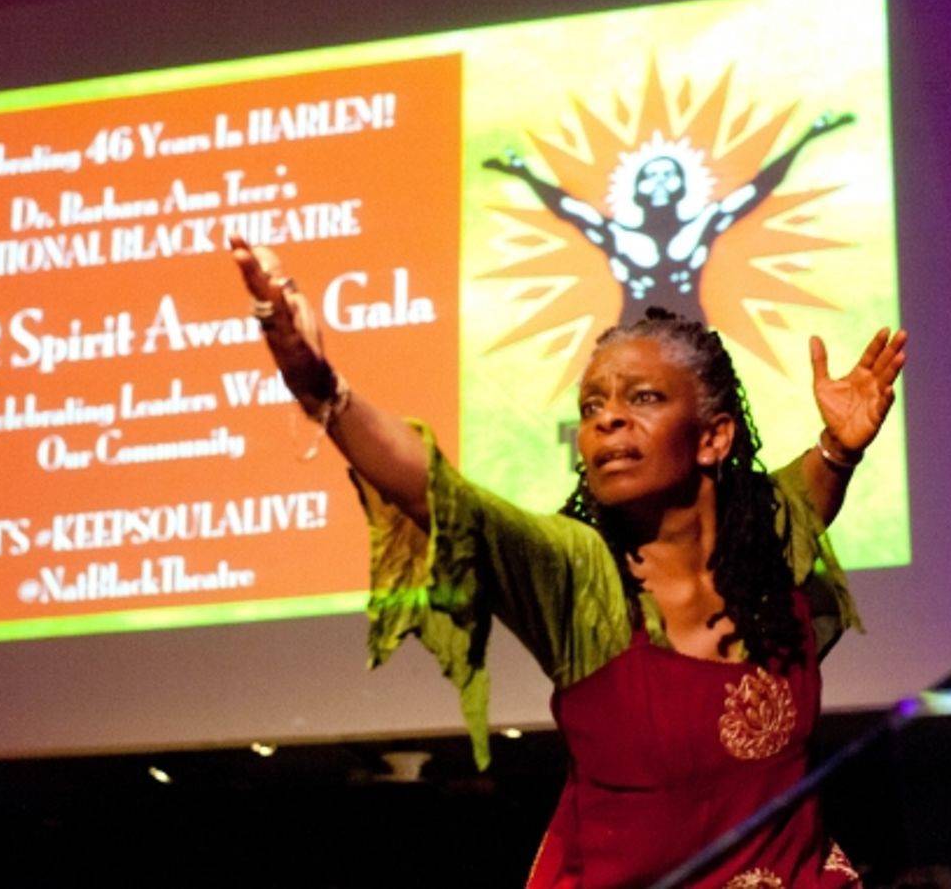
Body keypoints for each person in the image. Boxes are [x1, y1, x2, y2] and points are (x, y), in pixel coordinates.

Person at [229, 234, 906, 887]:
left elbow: (806, 492)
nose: (607, 420)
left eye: (643, 398)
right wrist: (320, 384)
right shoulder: (579, 577)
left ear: (714, 436)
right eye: (592, 406)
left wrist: (840, 450)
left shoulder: (769, 536)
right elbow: (438, 494)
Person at [481, 112, 855, 328]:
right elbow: (566, 207)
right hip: (634, 337)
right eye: (650, 176)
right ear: (637, 189)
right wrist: (524, 174)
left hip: (691, 339)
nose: (659, 182)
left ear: (682, 185)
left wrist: (806, 137)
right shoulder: (616, 234)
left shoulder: (704, 222)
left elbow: (760, 187)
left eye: (668, 174)